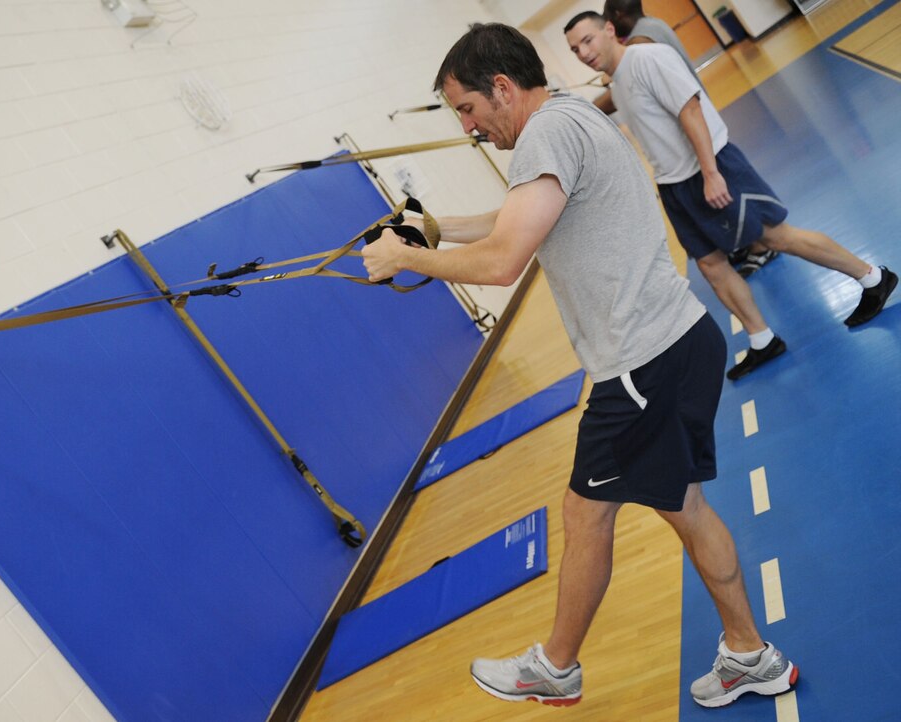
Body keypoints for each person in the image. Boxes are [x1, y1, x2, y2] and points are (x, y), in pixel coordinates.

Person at [361, 22, 797, 708]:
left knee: (586, 512)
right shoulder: (566, 118)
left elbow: (504, 262)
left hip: (640, 367)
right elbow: (517, 220)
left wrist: (406, 257)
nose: (470, 128)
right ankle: (748, 652)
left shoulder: (545, 136)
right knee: (683, 506)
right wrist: (436, 228)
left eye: (469, 111)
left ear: (501, 88)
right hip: (681, 340)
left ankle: (556, 667)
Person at [565, 12, 895, 379]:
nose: (583, 52)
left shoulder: (648, 59)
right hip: (674, 182)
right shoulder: (619, 78)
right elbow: (616, 105)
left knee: (775, 236)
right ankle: (762, 339)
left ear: (609, 31)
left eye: (588, 40)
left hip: (710, 167)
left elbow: (690, 109)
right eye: (575, 48)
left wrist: (710, 173)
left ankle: (873, 278)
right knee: (710, 263)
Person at [603, 0, 777, 277]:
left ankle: (762, 244)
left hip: (692, 126)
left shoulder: (640, 43)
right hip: (690, 120)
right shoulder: (654, 24)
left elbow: (642, 83)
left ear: (617, 17)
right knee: (725, 204)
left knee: (729, 198)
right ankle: (752, 243)